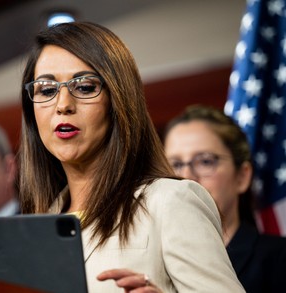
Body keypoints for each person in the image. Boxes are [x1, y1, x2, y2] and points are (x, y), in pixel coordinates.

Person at [18, 21, 244, 292]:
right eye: (46, 89)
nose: (63, 105)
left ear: (119, 101)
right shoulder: (35, 227)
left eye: (86, 87)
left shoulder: (170, 202)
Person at [163, 104, 286, 293]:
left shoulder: (279, 259)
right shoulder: (155, 268)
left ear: (242, 177)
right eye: (176, 164)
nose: (186, 178)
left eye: (205, 161)